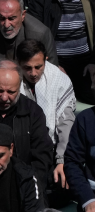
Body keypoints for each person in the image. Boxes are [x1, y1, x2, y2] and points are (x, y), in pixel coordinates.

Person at [15, 39, 75, 187]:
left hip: (52, 149)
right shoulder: (11, 79)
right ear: (18, 63)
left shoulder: (59, 80)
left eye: (38, 67)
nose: (33, 73)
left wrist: (62, 160)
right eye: (27, 68)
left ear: (46, 59)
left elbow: (66, 123)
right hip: (20, 150)